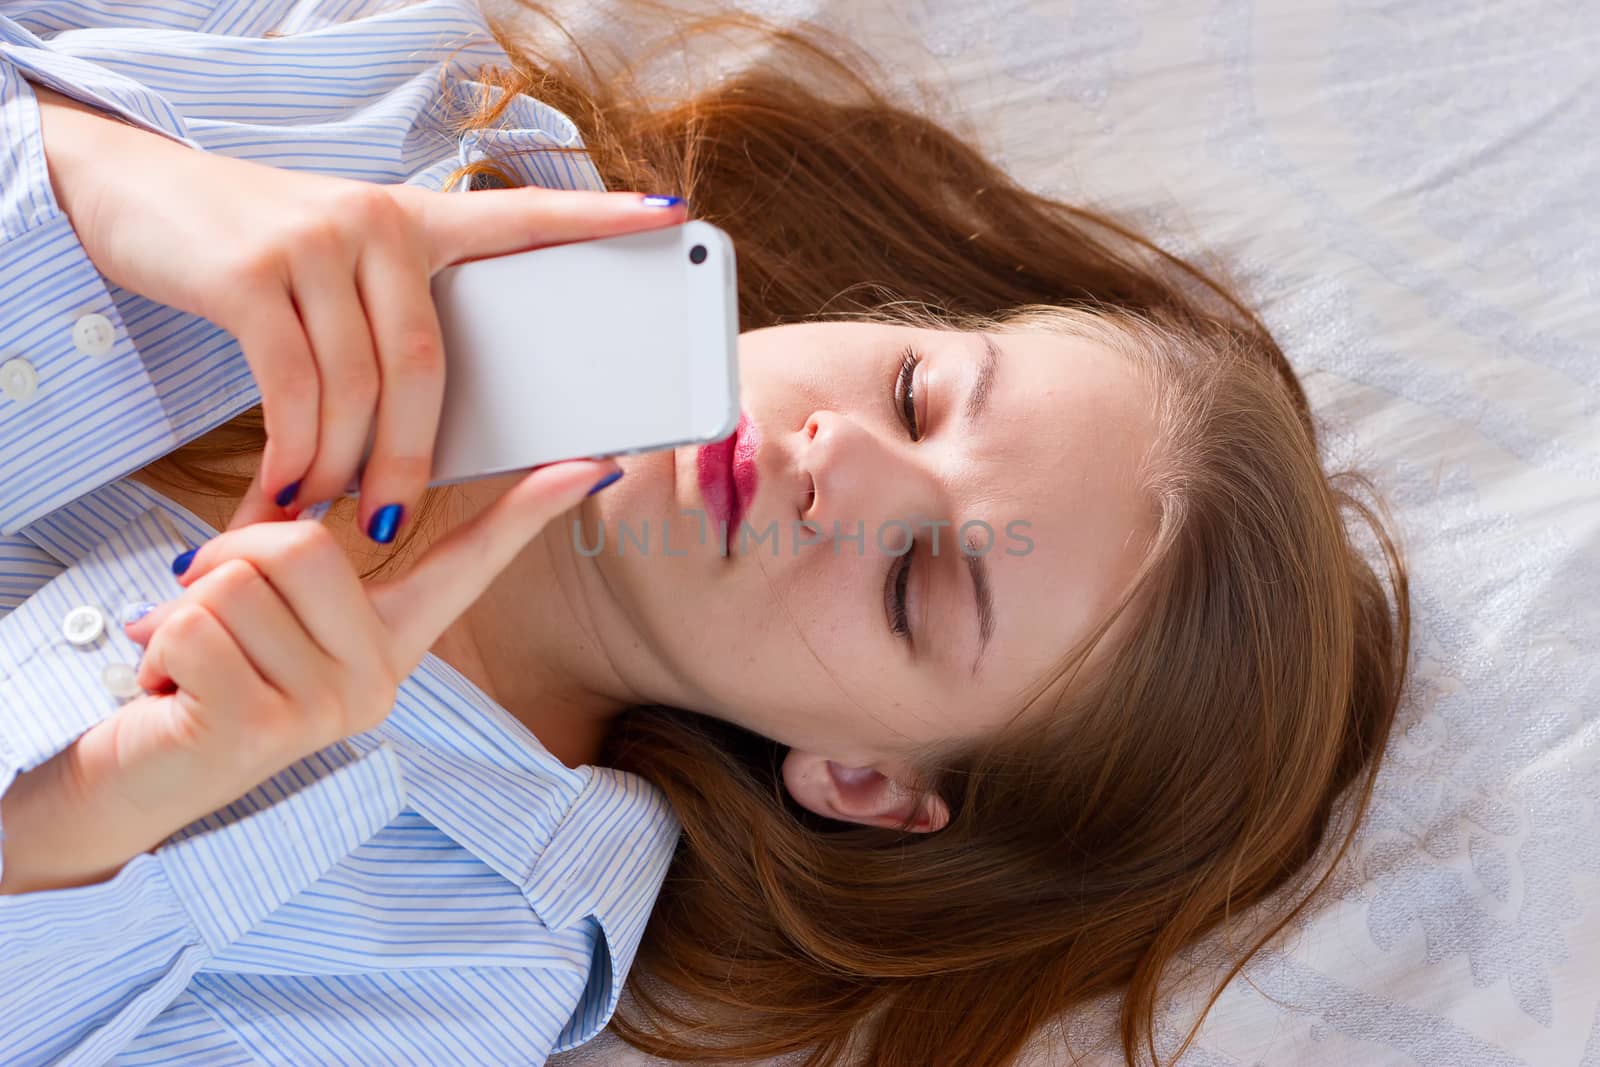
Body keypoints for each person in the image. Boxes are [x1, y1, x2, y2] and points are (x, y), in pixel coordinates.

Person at [0, 2, 1411, 1066]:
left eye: (920, 579)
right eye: (916, 394)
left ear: (865, 783)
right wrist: (100, 179)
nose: (839, 461)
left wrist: (100, 811)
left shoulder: (474, 947)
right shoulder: (413, 104)